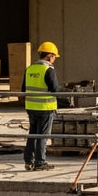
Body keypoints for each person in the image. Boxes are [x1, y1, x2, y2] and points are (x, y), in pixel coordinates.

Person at [23, 41, 61, 171]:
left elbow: (23, 89)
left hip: (31, 107)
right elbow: (55, 90)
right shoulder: (48, 70)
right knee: (42, 136)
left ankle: (29, 161)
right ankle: (40, 162)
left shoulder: (30, 69)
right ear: (49, 56)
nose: (54, 59)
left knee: (33, 134)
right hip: (45, 108)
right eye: (54, 56)